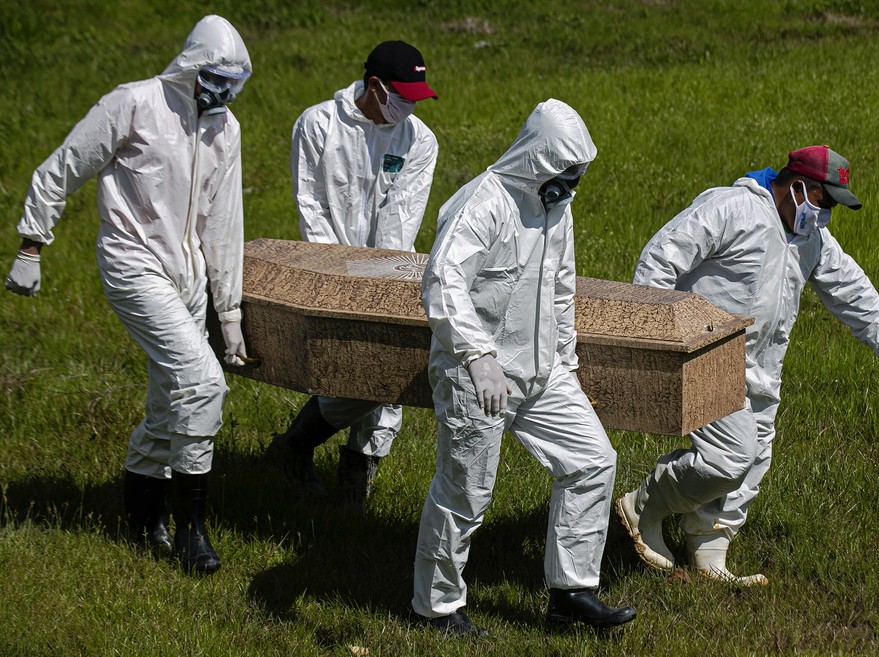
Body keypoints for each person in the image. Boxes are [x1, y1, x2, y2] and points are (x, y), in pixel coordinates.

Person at [4, 15, 253, 575]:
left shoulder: (225, 129)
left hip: (187, 274)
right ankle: (193, 531)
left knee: (168, 401)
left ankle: (142, 522)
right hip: (132, 263)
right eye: (215, 79)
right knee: (201, 382)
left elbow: (224, 223)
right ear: (191, 67)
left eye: (233, 84)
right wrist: (31, 243)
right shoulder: (135, 103)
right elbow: (63, 166)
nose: (223, 93)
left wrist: (229, 312)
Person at [615, 146, 879, 585]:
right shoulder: (733, 208)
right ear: (798, 186)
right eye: (824, 199)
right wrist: (655, 335)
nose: (827, 211)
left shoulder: (808, 237)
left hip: (761, 366)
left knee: (755, 459)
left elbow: (848, 285)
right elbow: (662, 256)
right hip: (703, 354)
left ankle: (708, 548)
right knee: (730, 457)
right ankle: (645, 505)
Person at [412, 99, 637, 635]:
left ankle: (572, 594)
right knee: (466, 489)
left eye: (578, 177)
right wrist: (477, 354)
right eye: (566, 174)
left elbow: (561, 289)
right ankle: (437, 608)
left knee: (592, 460)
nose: (571, 186)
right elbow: (442, 283)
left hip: (542, 371)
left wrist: (569, 364)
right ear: (538, 160)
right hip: (477, 375)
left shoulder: (556, 206)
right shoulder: (482, 204)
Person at [265, 41, 438, 509]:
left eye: (416, 99)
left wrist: (379, 289)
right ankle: (299, 448)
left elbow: (399, 222)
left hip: (387, 269)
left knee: (389, 368)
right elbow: (314, 209)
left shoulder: (418, 140)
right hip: (328, 270)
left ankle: (357, 467)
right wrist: (336, 281)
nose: (409, 108)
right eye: (402, 97)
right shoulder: (318, 125)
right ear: (375, 86)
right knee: (341, 369)